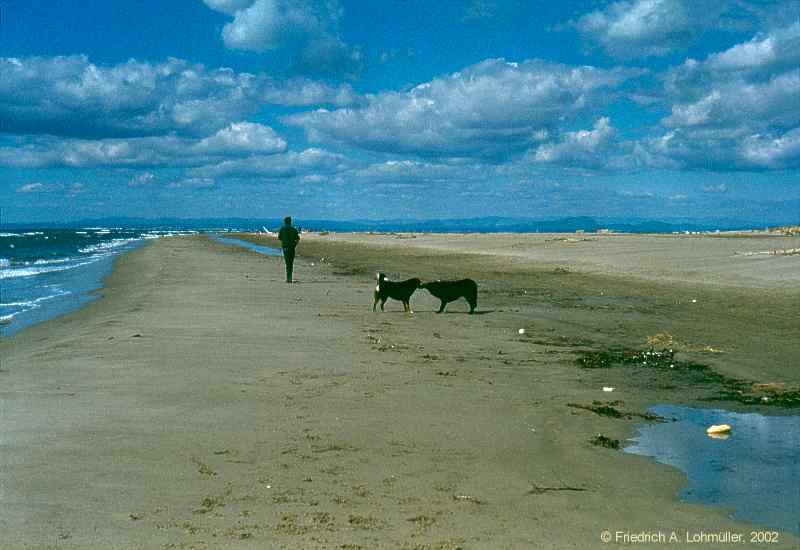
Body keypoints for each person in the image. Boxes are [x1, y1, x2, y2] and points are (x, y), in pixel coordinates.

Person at [277, 216, 300, 283]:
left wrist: (284, 242)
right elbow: (298, 239)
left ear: (285, 222)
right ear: (290, 221)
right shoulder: (294, 229)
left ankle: (288, 279)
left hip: (285, 248)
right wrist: (295, 244)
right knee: (291, 264)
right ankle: (289, 278)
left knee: (287, 264)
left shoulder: (282, 229)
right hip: (292, 248)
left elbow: (280, 238)